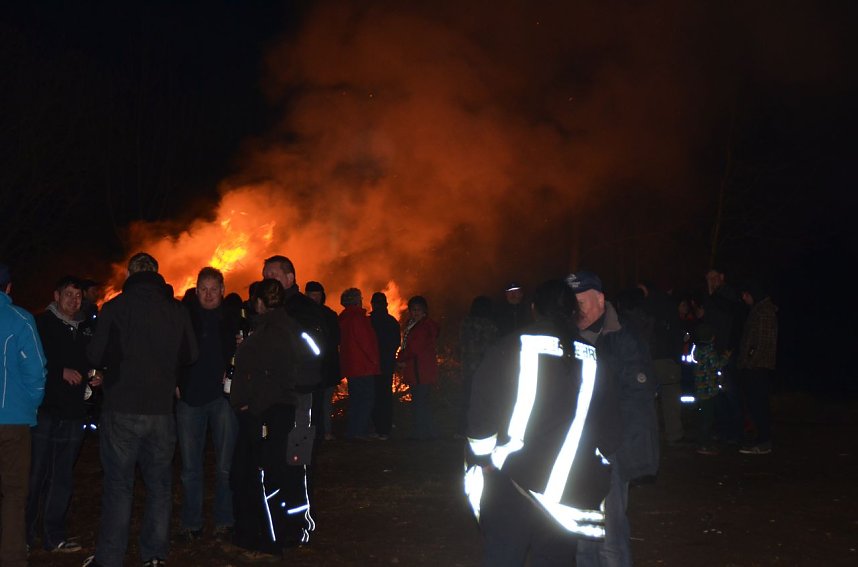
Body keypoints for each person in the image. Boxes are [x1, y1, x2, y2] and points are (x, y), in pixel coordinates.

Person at [465, 279, 621, 566]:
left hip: (511, 482)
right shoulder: (596, 358)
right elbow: (609, 429)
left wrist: (482, 458)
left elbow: (482, 409)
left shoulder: (511, 346)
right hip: (569, 488)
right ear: (574, 312)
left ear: (534, 309)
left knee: (503, 557)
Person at [84, 252, 197, 567]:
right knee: (160, 486)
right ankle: (154, 556)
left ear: (130, 273)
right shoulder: (176, 310)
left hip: (121, 408)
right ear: (157, 274)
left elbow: (94, 353)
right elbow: (190, 354)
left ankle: (110, 558)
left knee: (119, 485)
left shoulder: (116, 307)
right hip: (161, 411)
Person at [569, 271, 659, 567]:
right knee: (581, 535)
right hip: (573, 451)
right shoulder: (564, 336)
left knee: (610, 537)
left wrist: (627, 453)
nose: (577, 307)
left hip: (610, 451)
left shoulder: (623, 339)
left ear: (600, 299)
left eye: (582, 300)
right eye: (572, 301)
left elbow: (637, 400)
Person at [229, 279, 319, 562]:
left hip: (271, 414)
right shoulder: (283, 326)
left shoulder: (275, 330)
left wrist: (253, 404)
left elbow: (274, 373)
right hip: (287, 411)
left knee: (268, 476)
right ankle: (290, 531)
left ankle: (271, 538)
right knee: (286, 472)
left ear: (259, 302)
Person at [27, 276, 99, 554]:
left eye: (78, 295)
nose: (74, 300)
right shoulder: (40, 324)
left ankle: (54, 535)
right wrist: (59, 372)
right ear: (56, 296)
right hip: (45, 410)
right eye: (68, 294)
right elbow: (31, 362)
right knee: (36, 474)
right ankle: (24, 535)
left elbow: (93, 360)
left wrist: (97, 375)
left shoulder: (87, 328)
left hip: (73, 412)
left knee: (62, 476)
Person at [175, 267, 240, 543]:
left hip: (223, 398)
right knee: (191, 467)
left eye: (214, 289)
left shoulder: (234, 318)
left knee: (226, 466)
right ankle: (192, 522)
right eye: (204, 289)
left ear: (223, 290)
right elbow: (172, 350)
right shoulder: (183, 315)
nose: (209, 294)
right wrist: (175, 381)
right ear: (196, 289)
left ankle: (224, 520)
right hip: (190, 397)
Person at [0, 262, 47, 567]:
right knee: (14, 494)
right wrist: (28, 405)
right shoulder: (20, 319)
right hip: (12, 422)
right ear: (8, 288)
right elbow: (37, 374)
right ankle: (12, 558)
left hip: (14, 417)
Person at [638, 280, 685, 445]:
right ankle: (674, 435)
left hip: (649, 359)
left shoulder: (643, 306)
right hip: (668, 358)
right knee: (671, 397)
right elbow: (677, 332)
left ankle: (652, 436)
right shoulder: (670, 305)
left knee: (650, 399)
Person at [703, 267, 745, 445]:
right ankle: (724, 429)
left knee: (730, 391)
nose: (711, 281)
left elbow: (730, 313)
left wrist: (728, 348)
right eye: (708, 278)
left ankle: (736, 431)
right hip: (715, 351)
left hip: (726, 352)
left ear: (722, 276)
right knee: (718, 392)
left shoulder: (726, 294)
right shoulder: (712, 298)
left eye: (714, 277)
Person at [737, 281, 778, 455]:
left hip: (758, 367)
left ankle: (764, 441)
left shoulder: (763, 312)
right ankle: (761, 438)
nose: (744, 299)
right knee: (755, 404)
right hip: (755, 366)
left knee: (759, 404)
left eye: (746, 295)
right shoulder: (759, 311)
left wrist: (749, 362)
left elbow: (761, 342)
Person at [338, 288, 380, 440]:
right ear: (357, 300)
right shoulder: (358, 319)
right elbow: (366, 343)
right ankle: (359, 432)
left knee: (356, 400)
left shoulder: (343, 319)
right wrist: (374, 359)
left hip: (351, 366)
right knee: (366, 400)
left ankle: (353, 430)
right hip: (363, 366)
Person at [397, 296, 440, 440]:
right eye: (413, 310)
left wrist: (400, 358)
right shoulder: (414, 325)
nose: (415, 313)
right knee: (421, 402)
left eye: (418, 310)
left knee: (420, 403)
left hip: (421, 371)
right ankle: (426, 432)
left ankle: (421, 433)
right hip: (418, 370)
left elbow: (414, 349)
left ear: (424, 311)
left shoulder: (423, 327)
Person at [305, 281, 341, 442]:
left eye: (317, 295)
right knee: (312, 403)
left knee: (324, 402)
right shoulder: (303, 316)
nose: (315, 298)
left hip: (326, 367)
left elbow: (336, 339)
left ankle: (324, 432)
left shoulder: (329, 315)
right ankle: (314, 432)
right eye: (312, 295)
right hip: (310, 368)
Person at [457, 296, 498, 436]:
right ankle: (480, 429)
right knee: (482, 402)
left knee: (466, 400)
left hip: (468, 368)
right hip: (483, 370)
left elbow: (462, 344)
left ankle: (462, 429)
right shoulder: (489, 325)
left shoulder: (465, 323)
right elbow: (490, 346)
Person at [692, 323, 728, 456]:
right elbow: (717, 365)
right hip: (708, 390)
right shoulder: (710, 351)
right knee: (708, 418)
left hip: (699, 390)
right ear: (712, 338)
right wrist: (726, 356)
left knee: (703, 417)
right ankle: (704, 445)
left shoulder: (697, 351)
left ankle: (703, 441)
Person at [369, 292, 400, 440]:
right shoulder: (392, 322)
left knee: (374, 396)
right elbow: (396, 343)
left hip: (372, 365)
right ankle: (385, 429)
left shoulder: (369, 322)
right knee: (385, 397)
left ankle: (376, 427)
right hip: (386, 365)